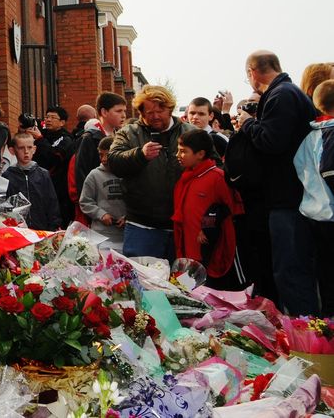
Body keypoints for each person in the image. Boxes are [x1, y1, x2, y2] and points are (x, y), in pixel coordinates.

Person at [238, 50, 320, 315]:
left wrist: (249, 124)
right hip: (292, 196)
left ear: (252, 72)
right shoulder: (288, 92)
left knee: (290, 271)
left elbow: (272, 142)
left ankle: (305, 333)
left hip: (288, 200)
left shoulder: (281, 95)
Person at [107, 85, 197, 260]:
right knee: (143, 282)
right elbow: (113, 162)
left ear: (170, 108)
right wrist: (139, 155)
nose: (155, 116)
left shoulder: (191, 133)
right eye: (149, 112)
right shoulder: (129, 133)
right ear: (141, 112)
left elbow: (213, 167)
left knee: (183, 282)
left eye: (160, 110)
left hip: (184, 225)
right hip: (142, 225)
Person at [173, 130, 243, 289]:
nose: (178, 155)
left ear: (200, 154)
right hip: (187, 252)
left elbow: (233, 211)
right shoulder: (185, 178)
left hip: (210, 254)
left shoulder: (217, 177)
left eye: (183, 151)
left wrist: (209, 226)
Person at [224, 92, 276, 301]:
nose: (251, 109)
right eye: (248, 105)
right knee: (257, 265)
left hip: (279, 207)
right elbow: (233, 171)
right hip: (251, 212)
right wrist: (245, 126)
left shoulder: (272, 131)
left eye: (255, 105)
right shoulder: (244, 134)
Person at [296, 79, 334, 315]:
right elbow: (329, 170)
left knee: (327, 277)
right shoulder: (329, 133)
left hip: (315, 213)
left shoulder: (311, 136)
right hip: (329, 216)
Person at [70, 93, 129, 217]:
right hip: (97, 209)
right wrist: (90, 211)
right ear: (104, 112)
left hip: (120, 208)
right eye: (118, 111)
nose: (123, 115)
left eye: (124, 111)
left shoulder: (123, 137)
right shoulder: (89, 138)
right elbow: (81, 174)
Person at [2, 131, 62, 231]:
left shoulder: (43, 174)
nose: (26, 151)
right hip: (17, 230)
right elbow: (4, 205)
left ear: (34, 149)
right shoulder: (7, 176)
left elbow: (52, 202)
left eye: (29, 147)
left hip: (42, 229)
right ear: (12, 150)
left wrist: (54, 226)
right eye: (21, 148)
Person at [80, 136, 126, 251]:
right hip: (101, 234)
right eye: (101, 155)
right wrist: (101, 214)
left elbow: (138, 201)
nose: (104, 159)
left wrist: (128, 217)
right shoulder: (94, 175)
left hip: (125, 234)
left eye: (108, 155)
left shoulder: (128, 174)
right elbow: (85, 201)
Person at [32, 105, 76, 224]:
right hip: (38, 185)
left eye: (52, 117)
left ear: (62, 122)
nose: (48, 120)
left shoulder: (66, 138)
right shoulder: (40, 134)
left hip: (58, 190)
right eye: (46, 117)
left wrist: (40, 140)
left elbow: (55, 157)